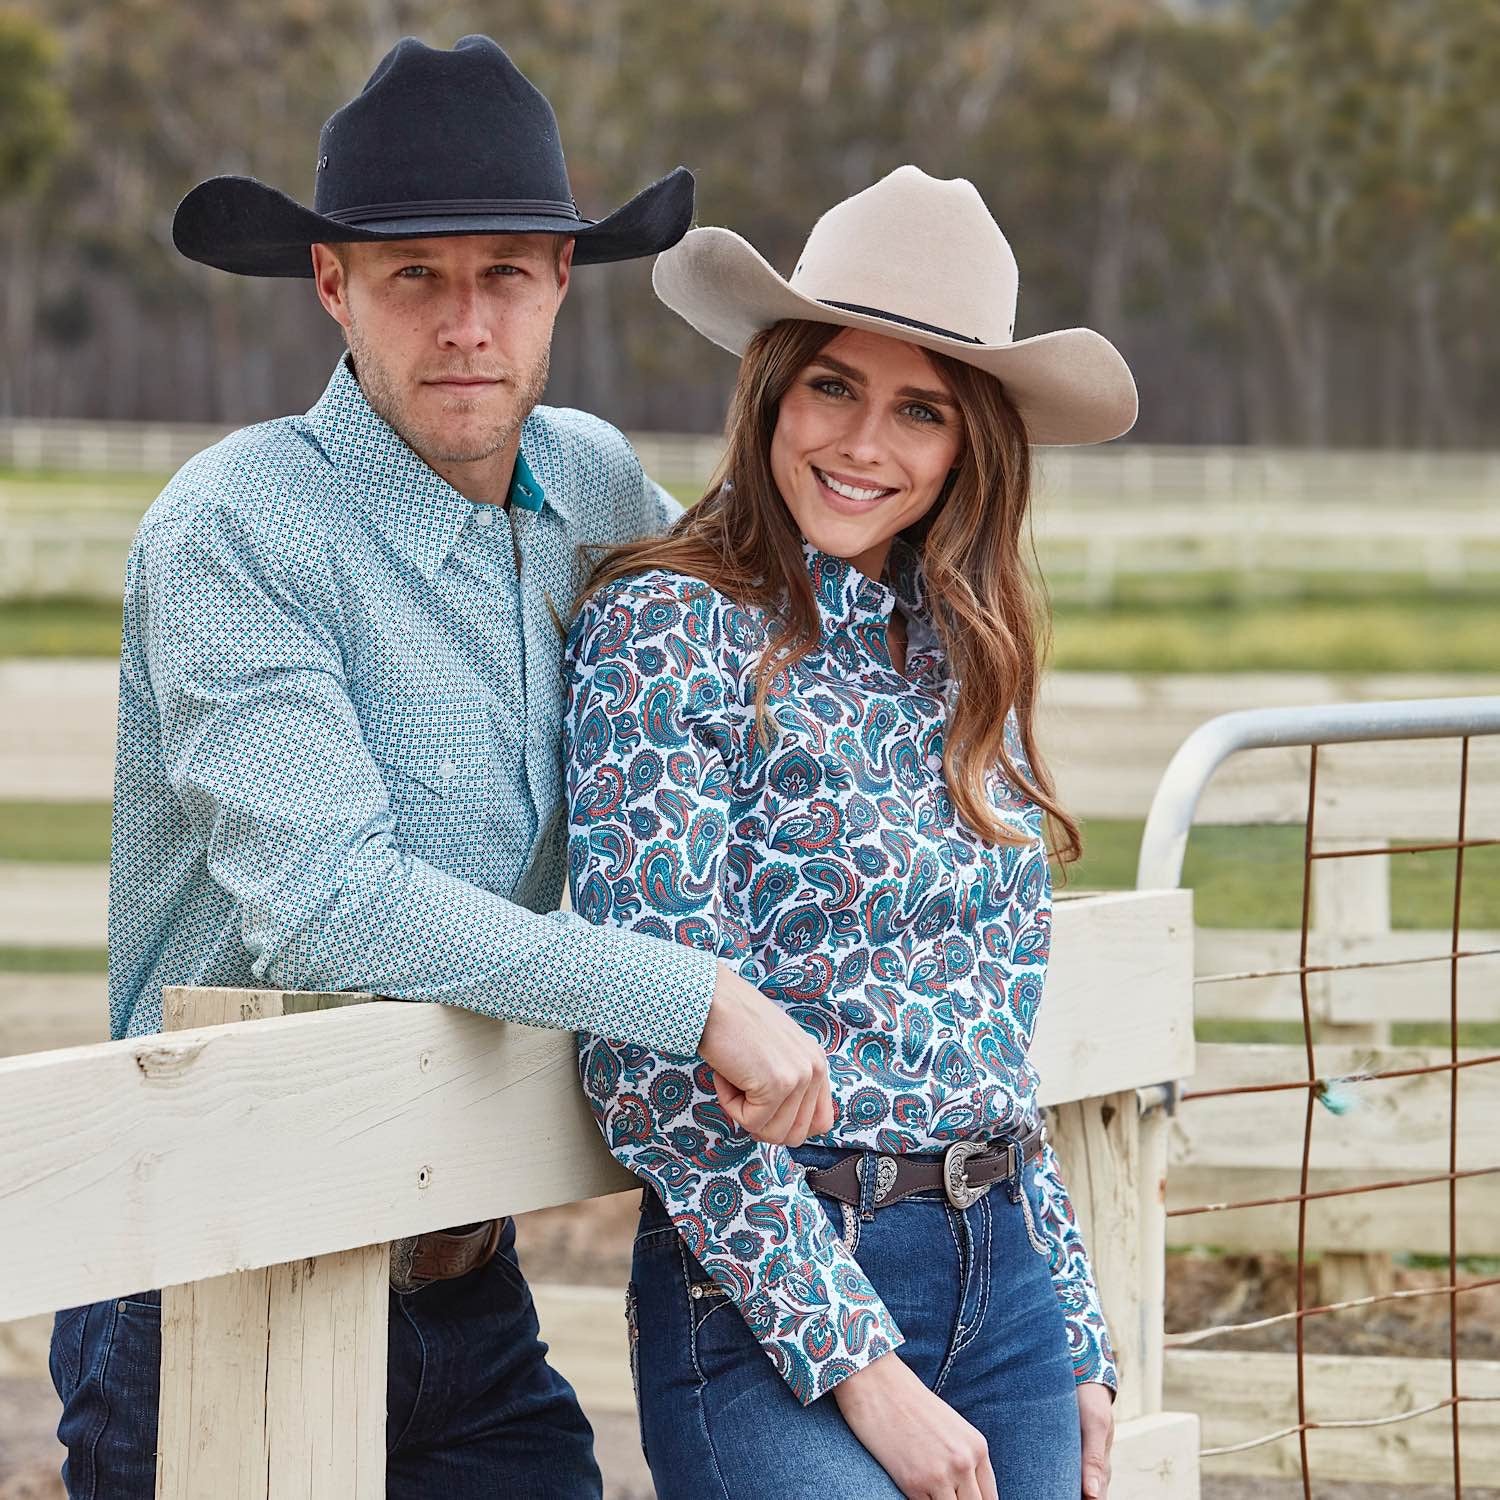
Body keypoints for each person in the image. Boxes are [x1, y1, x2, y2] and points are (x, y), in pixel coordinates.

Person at [48, 35, 833, 1500]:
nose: (465, 322)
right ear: (334, 289)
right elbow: (327, 902)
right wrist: (696, 998)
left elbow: (766, 672)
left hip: (463, 1269)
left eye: (504, 275)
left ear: (557, 286)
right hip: (227, 1263)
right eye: (415, 276)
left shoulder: (595, 486)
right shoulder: (238, 530)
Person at [563, 166, 1138, 1500]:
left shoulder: (962, 654)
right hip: (773, 1288)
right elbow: (650, 1050)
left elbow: (991, 1045)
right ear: (773, 387)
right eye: (833, 385)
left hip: (1007, 1292)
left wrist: (1080, 1339)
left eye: (920, 410)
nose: (865, 444)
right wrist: (865, 1373)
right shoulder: (671, 627)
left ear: (968, 447)